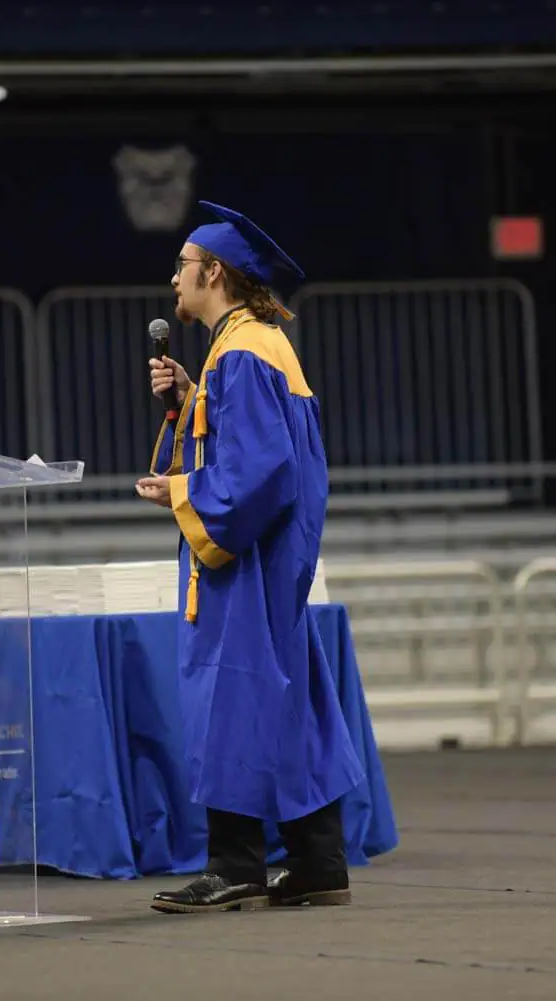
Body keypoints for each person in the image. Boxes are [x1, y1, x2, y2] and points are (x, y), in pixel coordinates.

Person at [135, 200, 365, 914]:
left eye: (183, 265)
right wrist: (189, 401)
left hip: (246, 560)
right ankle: (317, 859)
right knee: (283, 700)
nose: (174, 277)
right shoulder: (249, 346)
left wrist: (181, 492)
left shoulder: (241, 351)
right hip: (275, 558)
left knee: (231, 701)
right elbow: (253, 446)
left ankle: (234, 862)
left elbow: (261, 473)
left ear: (216, 273)